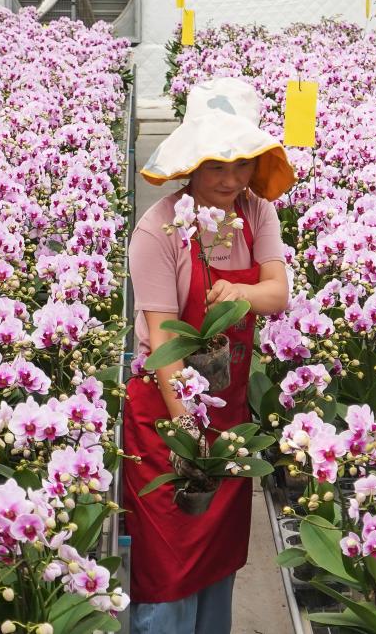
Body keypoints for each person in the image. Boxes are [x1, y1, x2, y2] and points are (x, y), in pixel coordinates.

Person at [123, 77, 297, 634]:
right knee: (166, 562)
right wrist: (187, 435)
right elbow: (162, 338)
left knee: (218, 558)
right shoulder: (158, 231)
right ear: (190, 165)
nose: (230, 180)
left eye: (242, 164)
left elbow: (278, 292)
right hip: (167, 415)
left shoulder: (257, 213)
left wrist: (238, 293)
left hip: (229, 410)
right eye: (216, 166)